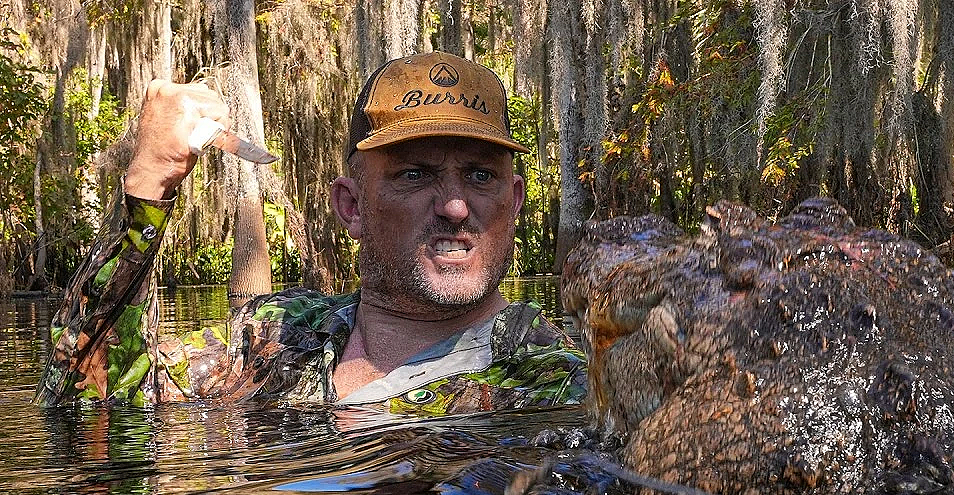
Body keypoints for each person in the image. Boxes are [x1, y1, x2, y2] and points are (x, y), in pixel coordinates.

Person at [37, 52, 587, 414]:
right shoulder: (271, 338)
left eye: (481, 176)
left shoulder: (557, 383)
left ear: (513, 204)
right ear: (350, 207)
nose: (454, 205)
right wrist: (149, 182)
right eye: (414, 174)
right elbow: (87, 399)